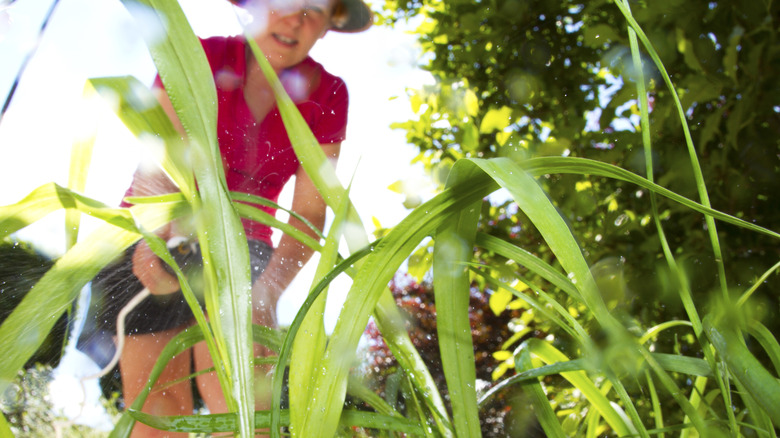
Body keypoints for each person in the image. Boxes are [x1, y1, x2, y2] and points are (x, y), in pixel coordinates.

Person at [78, 1, 373, 436]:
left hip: (245, 250)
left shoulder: (327, 94)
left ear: (330, 24)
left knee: (245, 403)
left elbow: (310, 211)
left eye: (315, 8)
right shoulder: (195, 56)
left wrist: (268, 291)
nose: (295, 18)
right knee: (158, 404)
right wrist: (156, 239)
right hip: (157, 232)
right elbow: (160, 162)